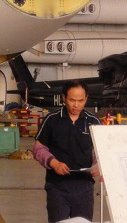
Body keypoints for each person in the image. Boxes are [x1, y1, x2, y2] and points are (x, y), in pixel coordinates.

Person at [33, 80, 101, 223]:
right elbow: (39, 148)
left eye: (81, 101)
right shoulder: (52, 119)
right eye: (72, 100)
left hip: (84, 187)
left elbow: (101, 151)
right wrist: (54, 163)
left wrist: (98, 166)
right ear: (63, 98)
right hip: (57, 187)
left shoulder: (93, 121)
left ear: (86, 98)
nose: (76, 105)